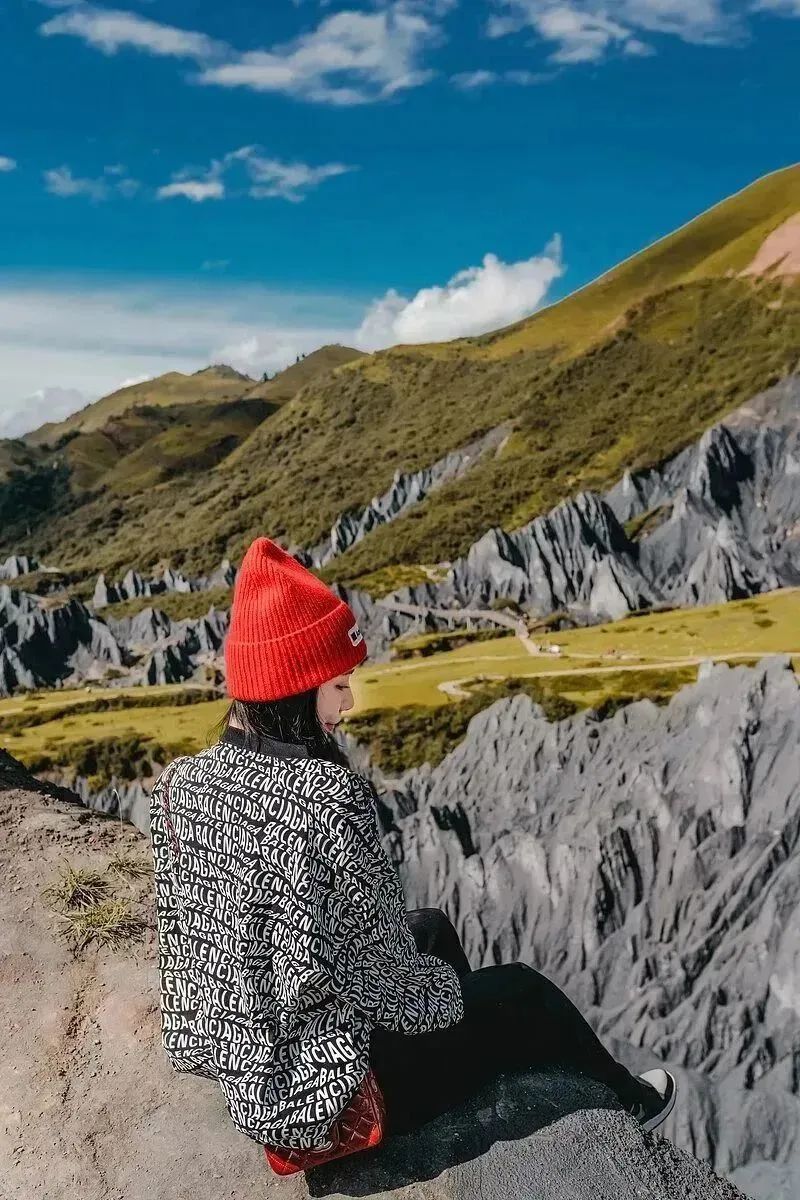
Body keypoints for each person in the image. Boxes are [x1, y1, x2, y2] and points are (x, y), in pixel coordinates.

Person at [149, 535, 676, 1156]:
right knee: (523, 992)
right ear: (295, 687)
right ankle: (632, 1104)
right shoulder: (322, 796)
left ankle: (476, 1057)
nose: (349, 703)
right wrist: (464, 1007)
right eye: (338, 685)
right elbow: (387, 984)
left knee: (430, 927)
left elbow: (191, 974)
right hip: (331, 1098)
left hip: (254, 1071)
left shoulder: (181, 786)